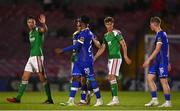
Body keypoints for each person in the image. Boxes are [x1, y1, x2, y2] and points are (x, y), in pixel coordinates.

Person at [7, 15, 53, 104]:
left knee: (43, 78)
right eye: (29, 22)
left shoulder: (37, 29)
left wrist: (43, 23)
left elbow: (45, 30)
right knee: (24, 77)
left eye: (32, 22)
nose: (30, 24)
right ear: (27, 23)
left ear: (35, 23)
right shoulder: (30, 32)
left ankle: (49, 99)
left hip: (37, 57)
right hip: (31, 57)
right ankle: (18, 98)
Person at [58, 16, 103, 106]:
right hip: (79, 60)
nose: (77, 23)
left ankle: (99, 99)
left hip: (86, 60)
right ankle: (71, 100)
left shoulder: (85, 33)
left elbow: (77, 46)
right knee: (75, 78)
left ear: (82, 23)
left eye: (79, 22)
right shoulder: (84, 33)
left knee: (90, 78)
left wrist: (63, 50)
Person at [94, 16, 132, 106]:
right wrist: (95, 57)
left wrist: (125, 56)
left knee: (111, 77)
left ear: (113, 24)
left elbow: (123, 44)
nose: (109, 26)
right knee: (111, 78)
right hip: (110, 59)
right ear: (105, 25)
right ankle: (114, 99)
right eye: (107, 24)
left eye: (110, 24)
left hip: (116, 57)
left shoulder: (116, 32)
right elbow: (103, 48)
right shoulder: (106, 36)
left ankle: (115, 99)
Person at [143, 16, 171, 107]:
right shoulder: (161, 34)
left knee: (163, 81)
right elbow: (166, 48)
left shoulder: (160, 34)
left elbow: (157, 49)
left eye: (150, 24)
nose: (150, 26)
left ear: (154, 24)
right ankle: (154, 100)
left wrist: (148, 59)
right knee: (150, 78)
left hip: (162, 61)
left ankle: (168, 102)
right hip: (158, 61)